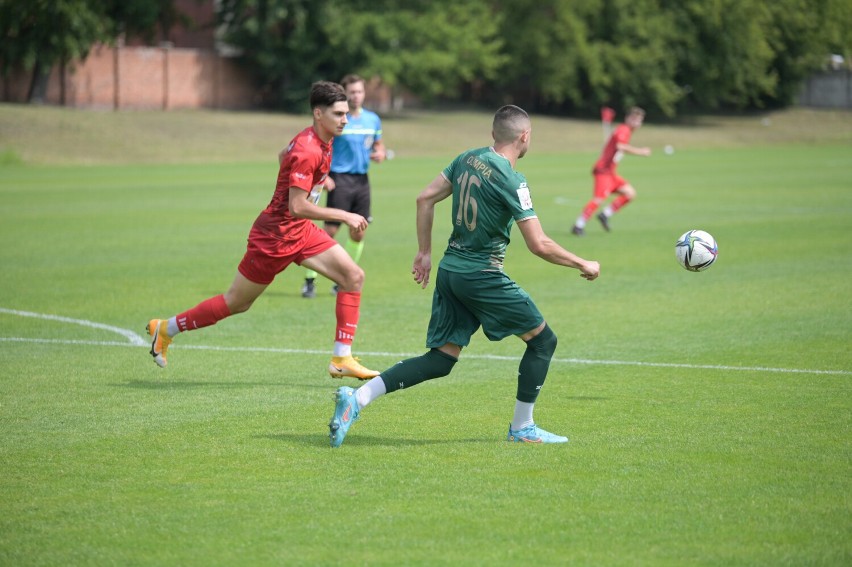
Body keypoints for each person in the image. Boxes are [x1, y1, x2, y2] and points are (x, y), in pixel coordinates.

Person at [328, 105, 601, 447]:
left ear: (493, 134)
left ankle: (357, 399)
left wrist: (424, 252)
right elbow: (539, 244)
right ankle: (522, 427)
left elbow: (424, 198)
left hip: (450, 270)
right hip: (481, 275)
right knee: (543, 341)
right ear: (525, 137)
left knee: (441, 359)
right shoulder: (512, 179)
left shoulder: (466, 159)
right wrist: (582, 263)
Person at [146, 81, 380, 380]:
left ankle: (341, 358)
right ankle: (166, 329)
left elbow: (283, 156)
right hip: (274, 237)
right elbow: (296, 205)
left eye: (346, 113)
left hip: (300, 231)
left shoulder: (320, 138)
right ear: (318, 114)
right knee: (237, 303)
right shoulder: (309, 149)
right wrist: (343, 214)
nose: (345, 119)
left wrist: (303, 184)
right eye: (338, 114)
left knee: (353, 276)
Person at [302, 73, 386, 298]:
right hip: (339, 179)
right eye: (352, 93)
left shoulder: (373, 119)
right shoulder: (338, 119)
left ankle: (342, 280)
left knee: (358, 232)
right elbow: (322, 146)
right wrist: (324, 176)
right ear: (345, 95)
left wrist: (380, 153)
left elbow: (378, 144)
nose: (356, 96)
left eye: (359, 91)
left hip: (362, 181)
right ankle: (310, 280)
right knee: (330, 232)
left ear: (364, 93)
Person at [572, 106, 651, 236]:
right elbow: (621, 146)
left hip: (611, 173)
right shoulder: (624, 130)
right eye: (634, 119)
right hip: (603, 171)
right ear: (627, 118)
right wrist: (641, 151)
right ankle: (578, 226)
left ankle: (604, 215)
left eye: (639, 120)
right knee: (598, 199)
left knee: (629, 193)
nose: (637, 123)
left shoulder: (625, 131)